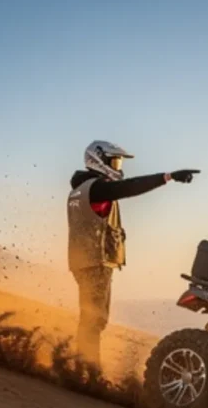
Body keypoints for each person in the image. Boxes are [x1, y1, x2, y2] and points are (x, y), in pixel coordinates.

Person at [67, 140, 199, 365]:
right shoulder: (96, 188)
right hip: (95, 261)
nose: (118, 167)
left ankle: (83, 365)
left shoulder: (80, 189)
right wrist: (168, 177)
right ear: (98, 160)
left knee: (91, 317)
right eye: (114, 161)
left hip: (84, 260)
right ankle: (86, 369)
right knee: (94, 319)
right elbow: (129, 187)